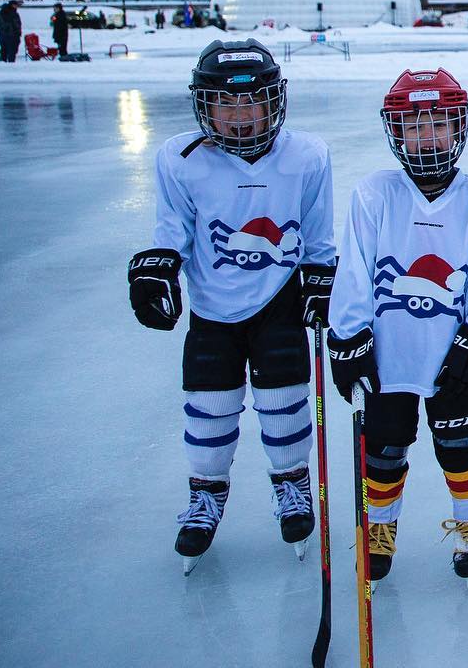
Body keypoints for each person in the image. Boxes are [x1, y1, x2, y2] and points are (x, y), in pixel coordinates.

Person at [126, 39, 335, 573]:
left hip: (279, 301)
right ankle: (206, 494)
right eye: (224, 103)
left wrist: (321, 278)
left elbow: (317, 234)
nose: (238, 115)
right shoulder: (181, 158)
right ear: (204, 105)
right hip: (213, 308)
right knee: (209, 407)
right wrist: (157, 265)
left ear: (273, 102)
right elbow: (172, 228)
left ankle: (291, 483)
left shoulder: (306, 156)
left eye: (250, 103)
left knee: (285, 400)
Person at [327, 68, 468, 586]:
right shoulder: (373, 194)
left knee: (464, 445)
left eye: (438, 124)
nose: (426, 137)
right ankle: (380, 531)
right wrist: (347, 338)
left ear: (459, 127)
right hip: (389, 357)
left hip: (452, 353)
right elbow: (356, 272)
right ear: (395, 131)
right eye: (413, 126)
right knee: (383, 450)